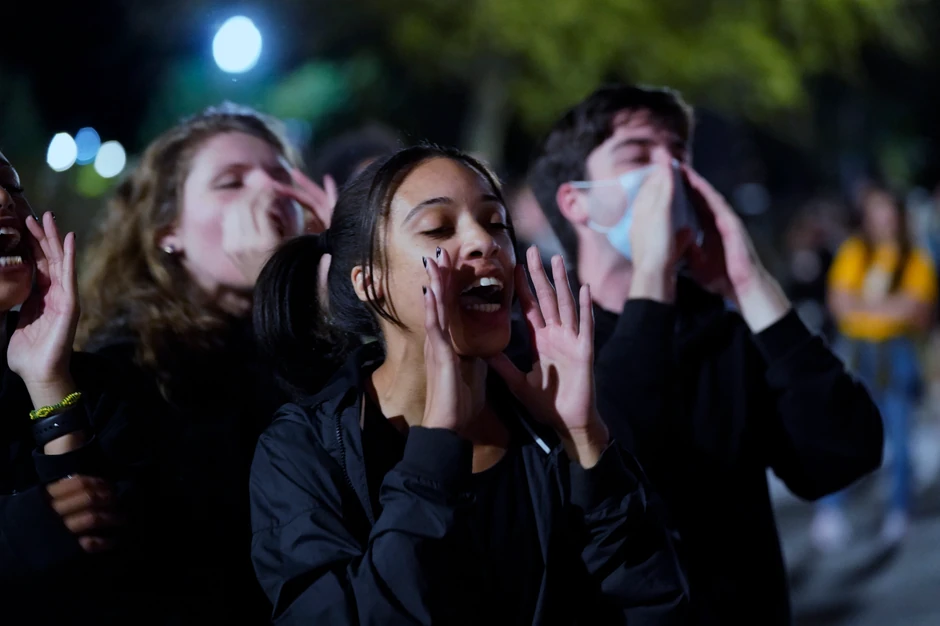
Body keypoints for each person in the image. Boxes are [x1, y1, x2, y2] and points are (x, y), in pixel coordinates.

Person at [249, 144, 689, 624]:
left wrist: (585, 440)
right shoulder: (304, 450)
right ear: (369, 281)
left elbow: (656, 606)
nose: (484, 242)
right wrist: (436, 449)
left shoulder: (547, 426)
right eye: (438, 227)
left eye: (496, 222)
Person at [527, 84, 884, 625]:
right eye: (638, 155)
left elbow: (842, 454)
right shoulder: (551, 341)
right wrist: (652, 272)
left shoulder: (716, 331)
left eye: (678, 154)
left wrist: (750, 284)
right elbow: (625, 443)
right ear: (575, 200)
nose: (667, 173)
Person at [75, 104, 335, 625]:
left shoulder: (329, 333)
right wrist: (282, 298)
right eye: (231, 182)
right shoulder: (123, 371)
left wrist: (340, 295)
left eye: (282, 175)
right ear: (167, 231)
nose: (272, 192)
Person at [0, 150, 149, 624]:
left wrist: (48, 383)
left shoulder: (104, 388)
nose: (5, 199)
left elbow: (113, 575)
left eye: (14, 187)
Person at [815, 185, 936, 549]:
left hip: (897, 352)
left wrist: (866, 308)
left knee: (899, 435)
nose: (884, 218)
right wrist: (886, 307)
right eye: (877, 211)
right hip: (860, 352)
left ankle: (899, 509)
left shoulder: (915, 254)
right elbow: (838, 302)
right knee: (849, 432)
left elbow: (916, 309)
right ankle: (831, 509)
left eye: (889, 211)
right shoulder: (856, 251)